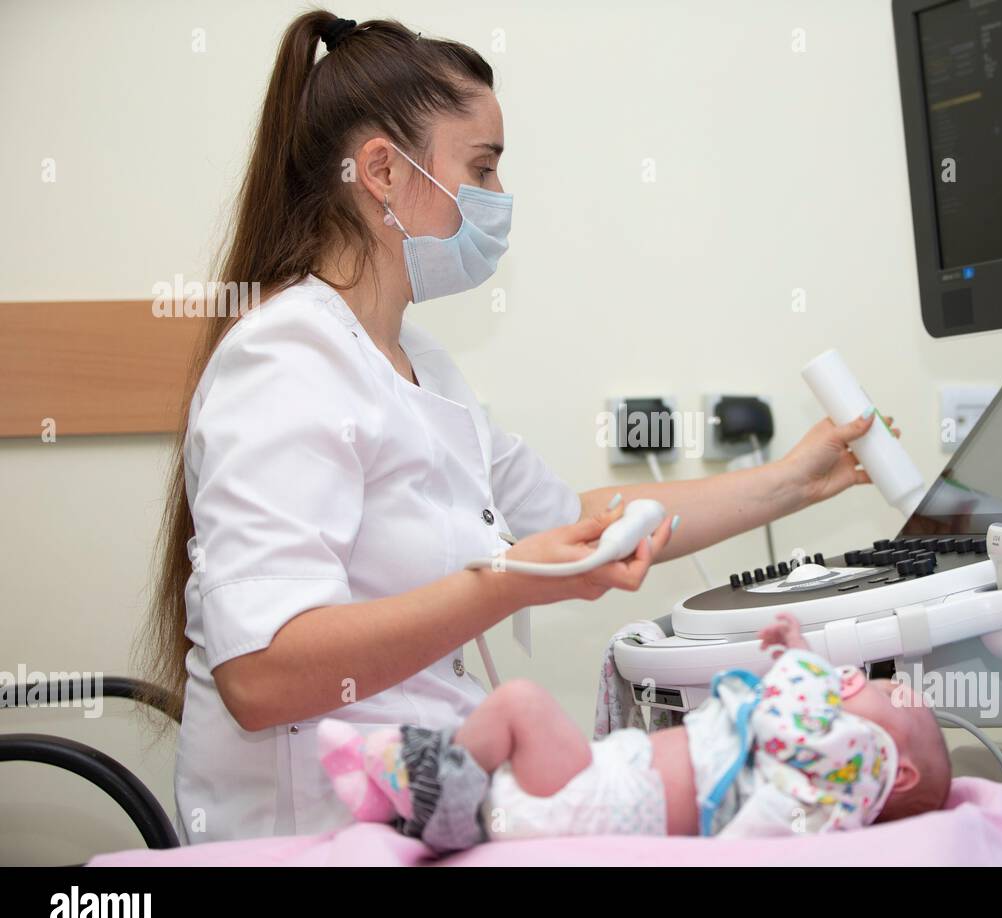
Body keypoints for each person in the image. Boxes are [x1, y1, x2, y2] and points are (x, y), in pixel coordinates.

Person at [139, 11, 892, 844]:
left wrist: (794, 480)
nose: (498, 201)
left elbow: (577, 521)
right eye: (483, 169)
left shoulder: (417, 363)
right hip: (316, 833)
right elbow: (263, 673)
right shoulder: (285, 361)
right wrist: (505, 581)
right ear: (383, 171)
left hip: (428, 811)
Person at [319, 611, 951, 850]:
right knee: (512, 727)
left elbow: (797, 725)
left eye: (889, 694)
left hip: (608, 799)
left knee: (520, 704)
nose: (859, 682)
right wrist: (800, 661)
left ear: (901, 772)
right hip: (606, 785)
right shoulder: (814, 780)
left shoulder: (856, 773)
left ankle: (432, 795)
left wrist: (804, 663)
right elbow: (797, 727)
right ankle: (411, 792)